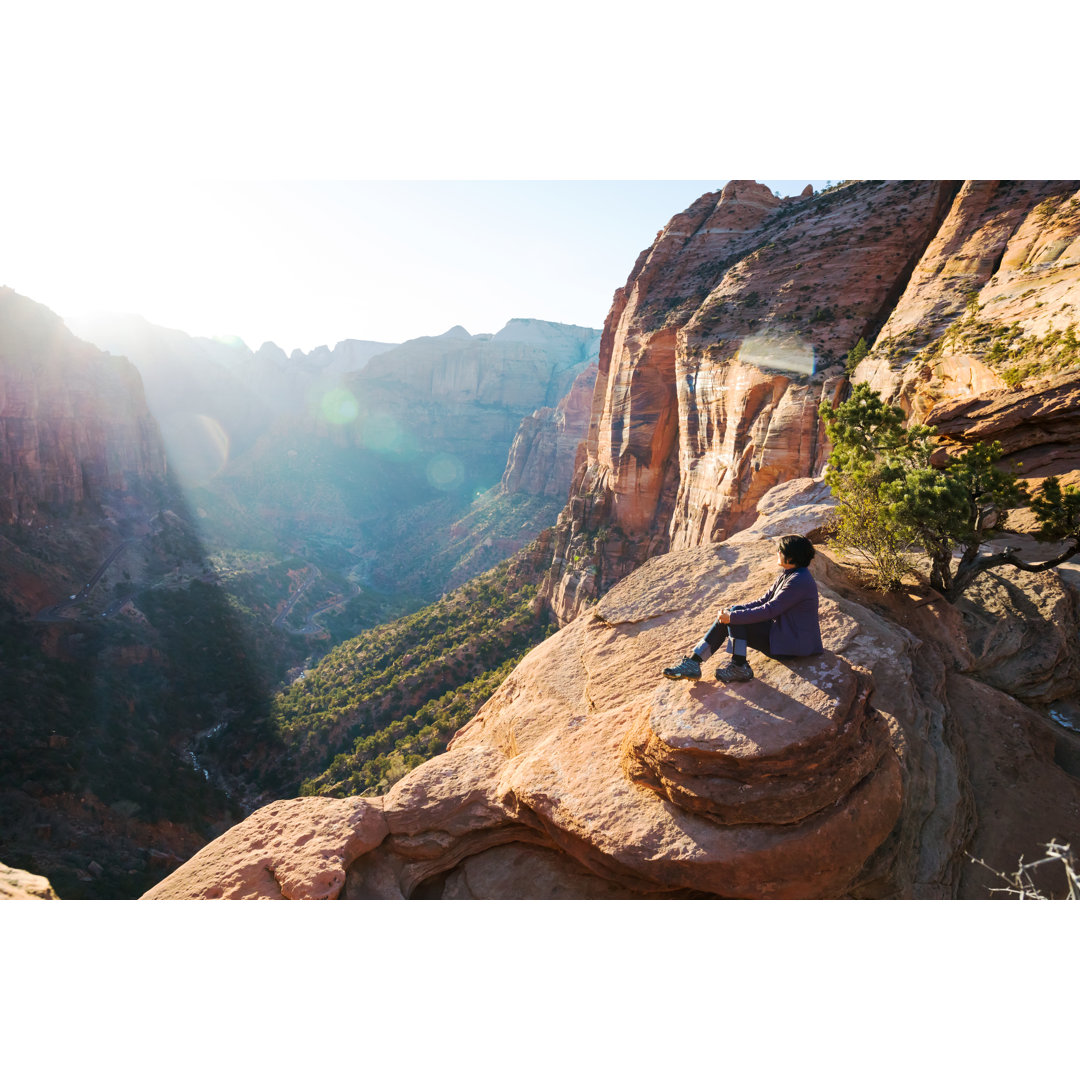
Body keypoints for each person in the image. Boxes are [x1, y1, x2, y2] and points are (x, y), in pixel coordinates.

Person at [663, 534, 823, 683]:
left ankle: (738, 667)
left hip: (792, 644)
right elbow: (764, 600)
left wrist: (733, 617)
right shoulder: (790, 574)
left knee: (735, 620)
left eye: (780, 551)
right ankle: (694, 662)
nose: (777, 553)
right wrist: (732, 611)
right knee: (734, 614)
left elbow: (770, 610)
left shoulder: (799, 581)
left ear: (791, 556)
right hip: (784, 635)